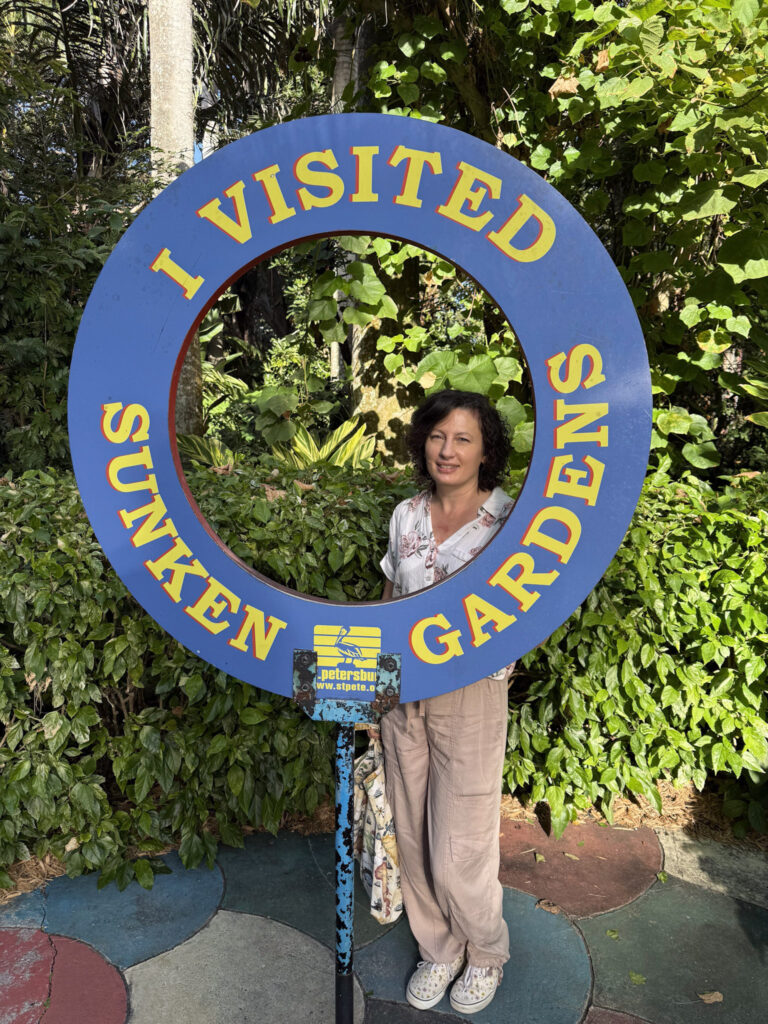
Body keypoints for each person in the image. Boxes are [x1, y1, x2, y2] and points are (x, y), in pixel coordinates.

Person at [378, 388, 514, 1015]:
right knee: (411, 828)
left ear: (487, 449)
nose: (447, 450)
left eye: (463, 438)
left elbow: (525, 611)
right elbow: (388, 596)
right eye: (437, 436)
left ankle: (485, 953)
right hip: (404, 694)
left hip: (472, 694)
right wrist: (374, 691)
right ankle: (439, 949)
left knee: (461, 842)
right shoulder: (406, 514)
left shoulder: (513, 521)